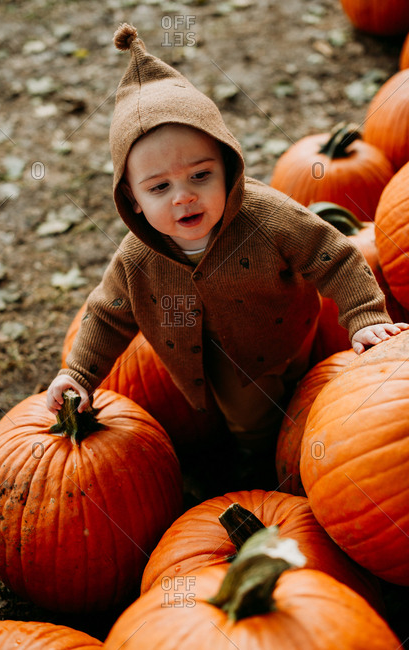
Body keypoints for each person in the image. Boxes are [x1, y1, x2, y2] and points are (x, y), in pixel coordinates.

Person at [46, 23, 407, 488]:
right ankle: (262, 463)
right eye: (159, 187)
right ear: (131, 199)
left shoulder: (266, 216)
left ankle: (310, 422)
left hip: (295, 326)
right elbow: (108, 314)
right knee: (254, 421)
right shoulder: (139, 259)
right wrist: (78, 373)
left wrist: (363, 313)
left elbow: (332, 254)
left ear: (227, 164)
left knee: (308, 381)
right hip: (230, 365)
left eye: (200, 175)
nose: (184, 197)